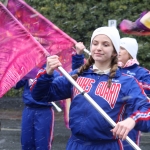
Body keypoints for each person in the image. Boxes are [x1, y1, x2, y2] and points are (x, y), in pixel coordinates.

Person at [31, 26, 150, 150]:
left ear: (115, 51)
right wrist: (47, 73)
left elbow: (147, 109)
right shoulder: (77, 76)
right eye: (95, 43)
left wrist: (132, 120)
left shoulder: (127, 82)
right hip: (75, 145)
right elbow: (41, 95)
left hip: (107, 146)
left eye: (105, 44)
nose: (98, 48)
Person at [14, 65, 60, 150]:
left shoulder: (52, 71)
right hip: (28, 109)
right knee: (26, 143)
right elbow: (16, 84)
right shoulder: (29, 68)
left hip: (44, 111)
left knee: (42, 145)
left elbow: (58, 87)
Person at [118, 37, 150, 150]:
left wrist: (130, 88)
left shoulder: (142, 73)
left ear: (130, 53)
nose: (118, 51)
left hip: (130, 121)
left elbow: (146, 96)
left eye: (122, 48)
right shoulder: (111, 69)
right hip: (111, 117)